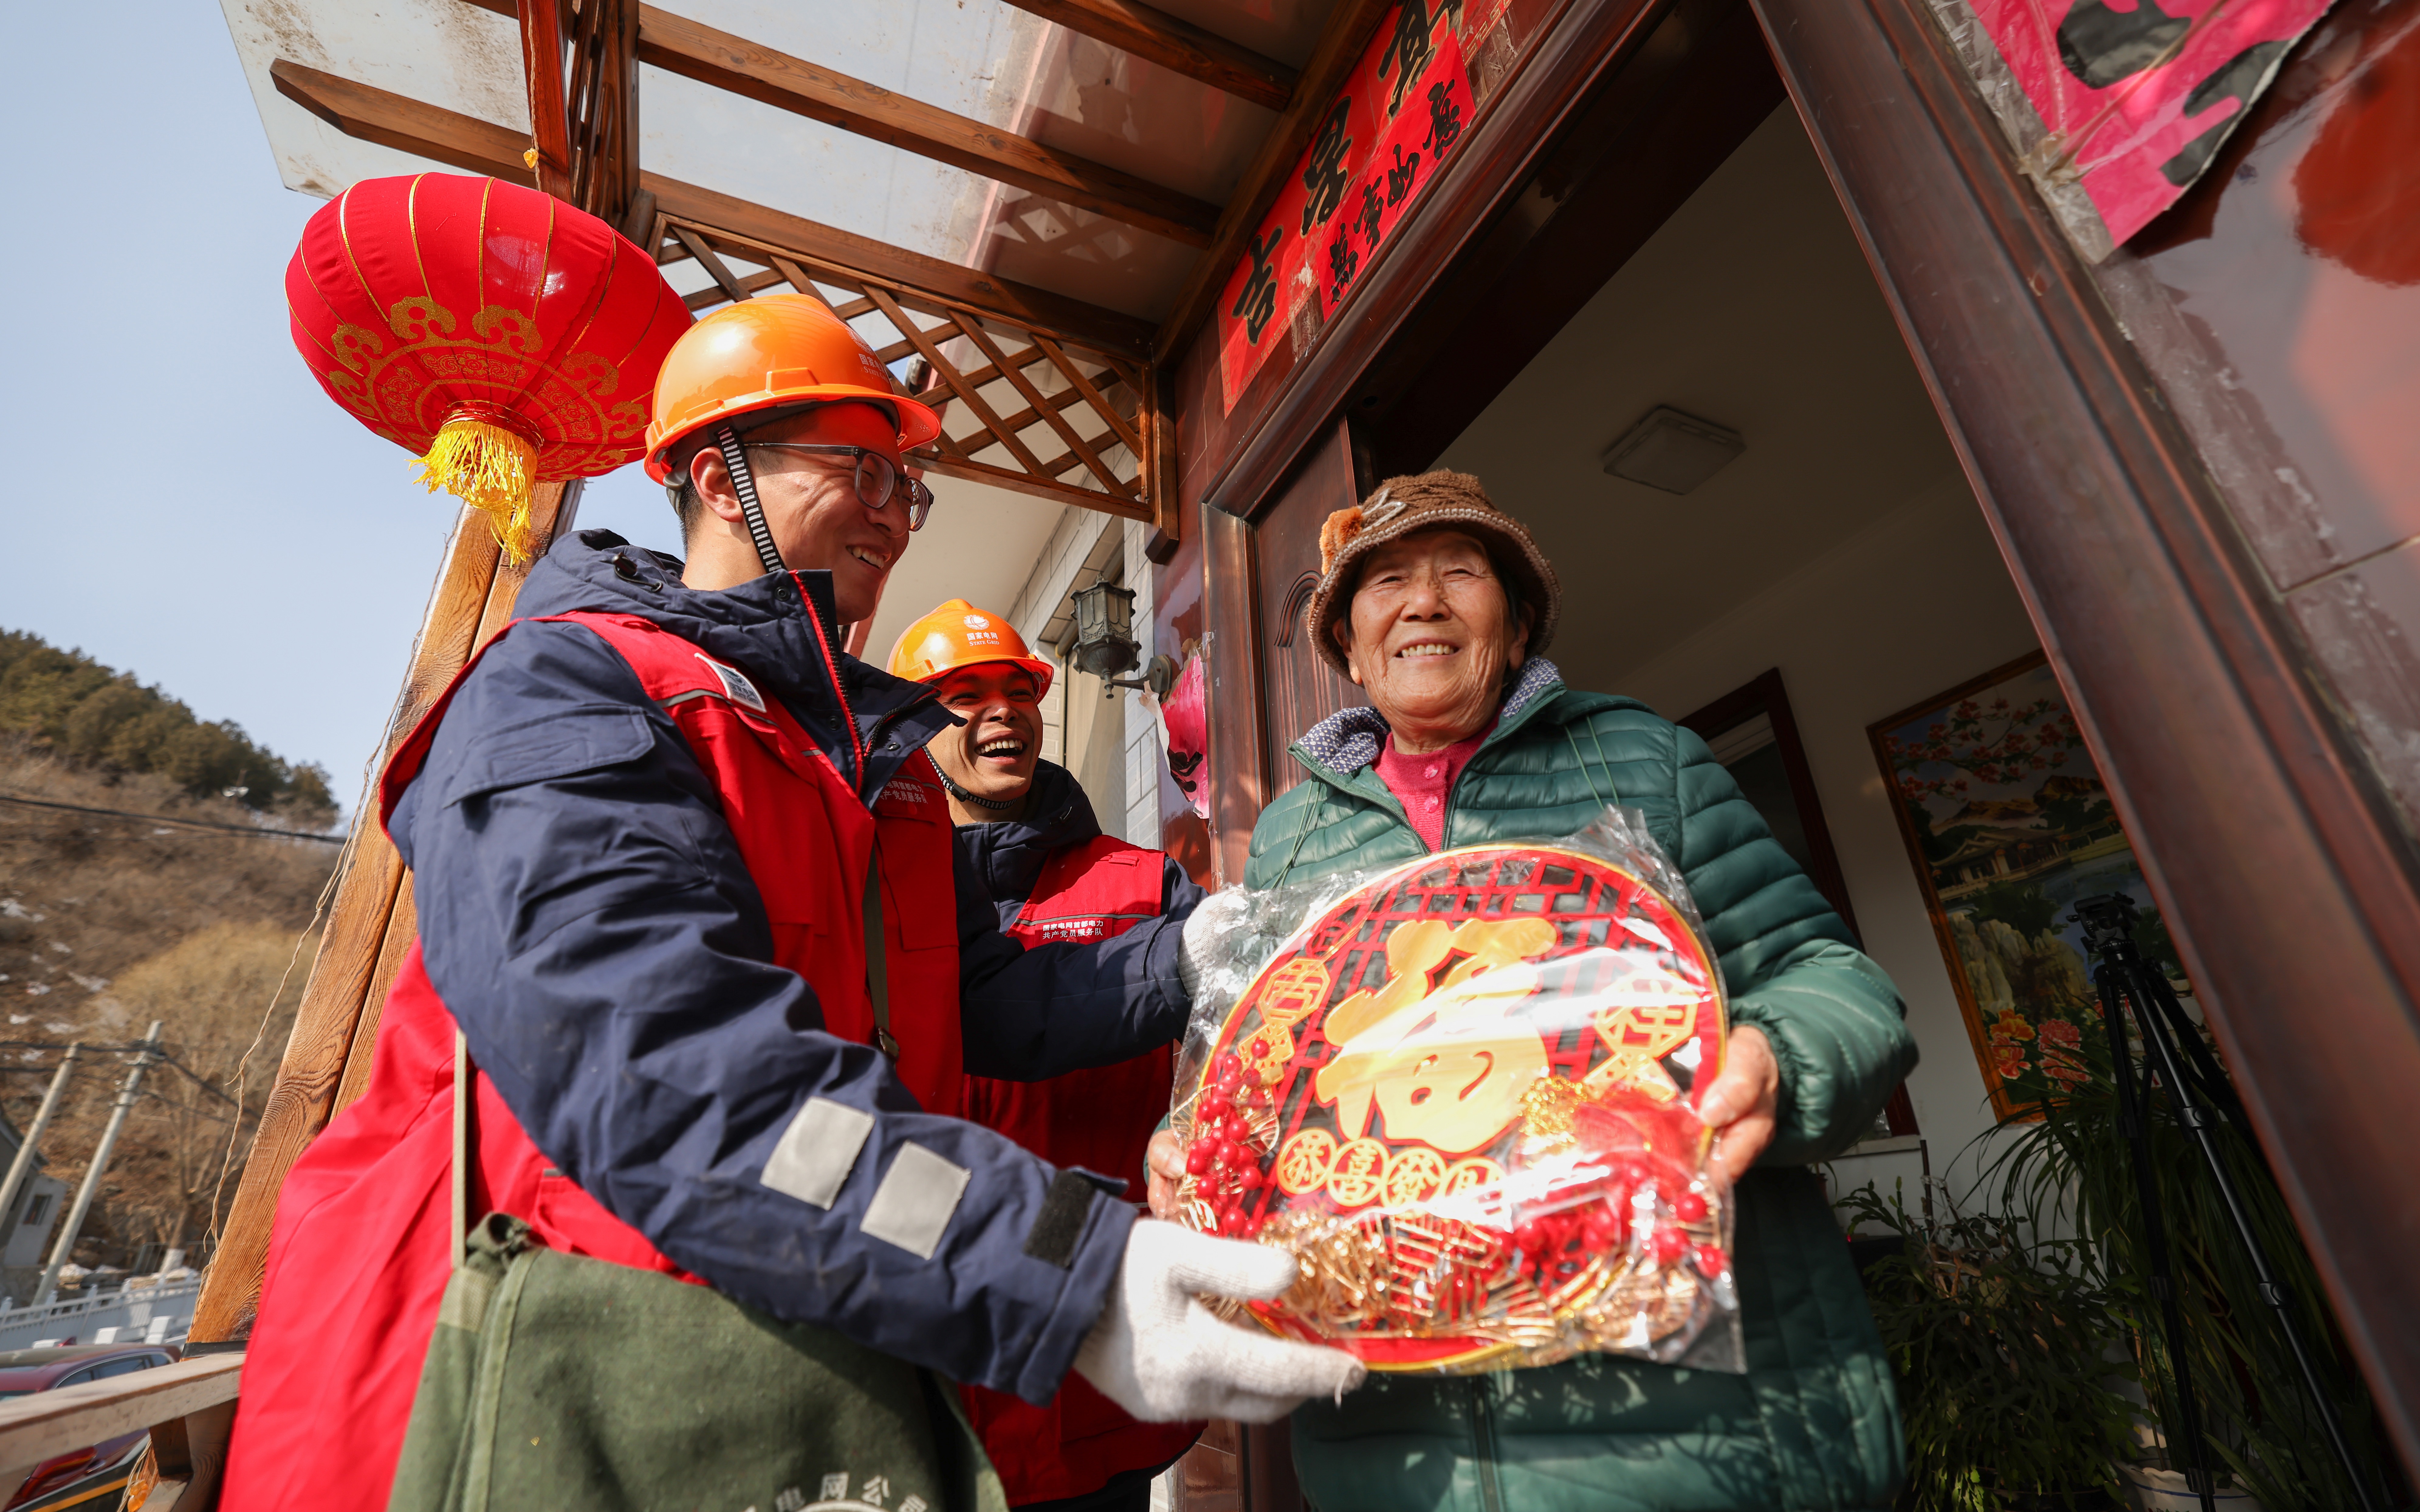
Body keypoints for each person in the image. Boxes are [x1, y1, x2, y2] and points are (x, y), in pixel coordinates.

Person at [221, 295, 1361, 1508]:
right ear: (719, 477)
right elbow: (661, 1066)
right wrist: (1054, 1271)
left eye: (904, 486)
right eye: (858, 471)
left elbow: (982, 1002)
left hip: (785, 1370)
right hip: (528, 1383)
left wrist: (1188, 959)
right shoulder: (579, 688)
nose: (893, 514)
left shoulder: (871, 771)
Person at [1148, 470, 1918, 1512]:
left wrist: (1777, 1058)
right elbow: (1276, 1077)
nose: (1423, 601)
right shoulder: (1291, 840)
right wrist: (1204, 1151)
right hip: (1404, 1446)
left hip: (1697, 1426)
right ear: (1348, 647)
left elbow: (1836, 983)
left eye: (1460, 572)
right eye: (1385, 583)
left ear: (1514, 632)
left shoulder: (1642, 759)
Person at [888, 597, 1209, 1512]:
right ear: (913, 728)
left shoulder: (1146, 883)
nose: (1002, 712)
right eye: (964, 694)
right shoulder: (874, 884)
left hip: (1102, 1355)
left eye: (1018, 691)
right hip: (935, 1356)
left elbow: (1224, 1060)